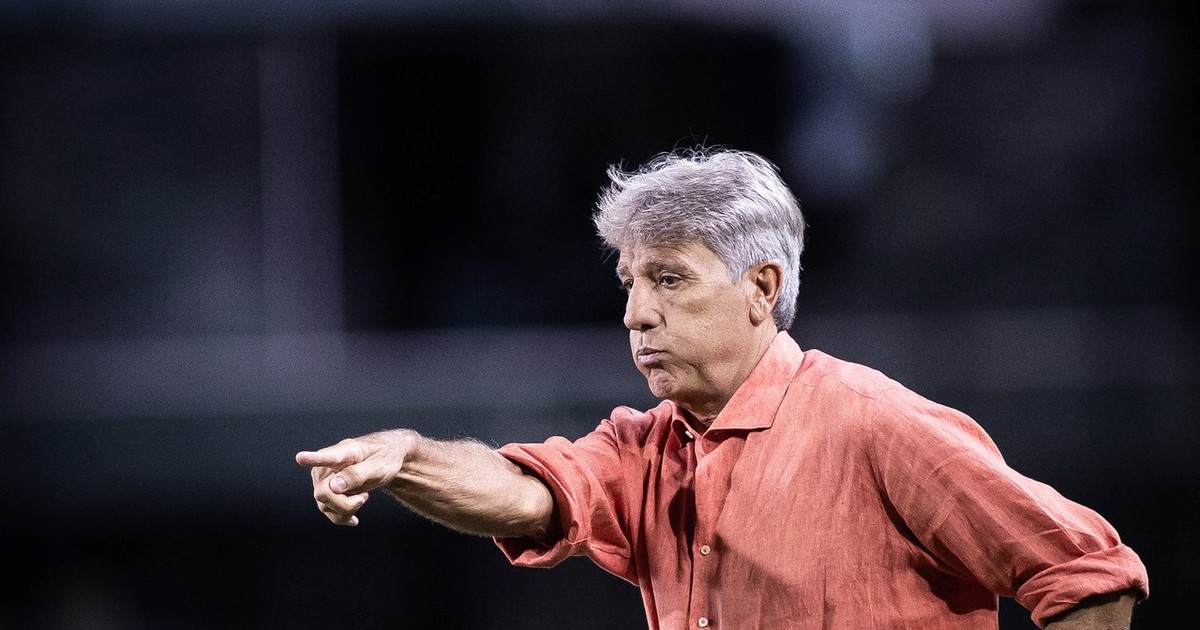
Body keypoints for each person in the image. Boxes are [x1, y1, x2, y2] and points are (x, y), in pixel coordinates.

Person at [296, 147, 1148, 629]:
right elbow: (523, 496)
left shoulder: (875, 424)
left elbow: (1088, 572)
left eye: (669, 279)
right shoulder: (642, 448)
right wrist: (405, 458)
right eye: (630, 282)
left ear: (761, 288)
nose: (635, 313)